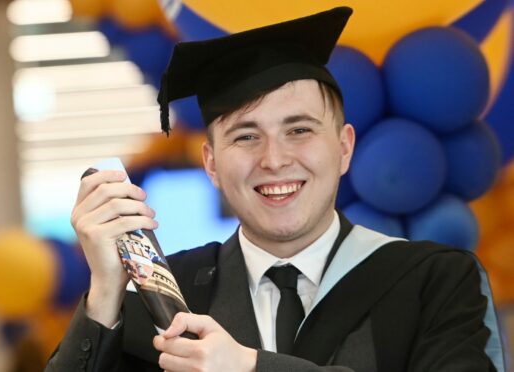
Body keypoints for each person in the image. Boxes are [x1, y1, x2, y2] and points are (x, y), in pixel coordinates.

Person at [45, 6, 504, 372]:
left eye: (299, 130)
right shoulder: (163, 300)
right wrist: (105, 291)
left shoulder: (435, 281)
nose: (274, 159)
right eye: (246, 136)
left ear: (344, 148)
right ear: (211, 163)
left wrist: (250, 367)